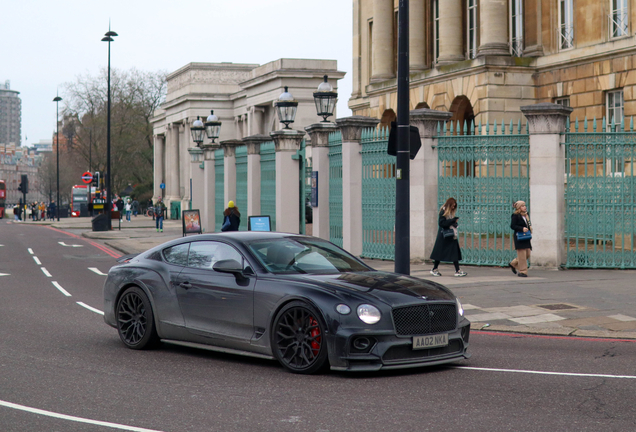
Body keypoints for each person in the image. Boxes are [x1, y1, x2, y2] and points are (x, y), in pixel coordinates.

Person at [429, 197, 467, 277]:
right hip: (444, 236)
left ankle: (457, 270)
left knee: (454, 252)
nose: (453, 207)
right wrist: (452, 221)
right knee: (439, 253)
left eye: (454, 206)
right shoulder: (443, 211)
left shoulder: (449, 212)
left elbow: (448, 223)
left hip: (450, 236)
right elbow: (442, 223)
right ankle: (434, 269)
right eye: (453, 205)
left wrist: (454, 223)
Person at [509, 200, 532, 277]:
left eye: (524, 205)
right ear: (519, 208)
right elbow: (513, 226)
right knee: (522, 256)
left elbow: (528, 224)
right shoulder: (515, 216)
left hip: (526, 236)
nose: (524, 207)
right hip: (520, 237)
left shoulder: (526, 215)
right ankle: (523, 271)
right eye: (522, 206)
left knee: (527, 254)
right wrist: (521, 228)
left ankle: (513, 263)